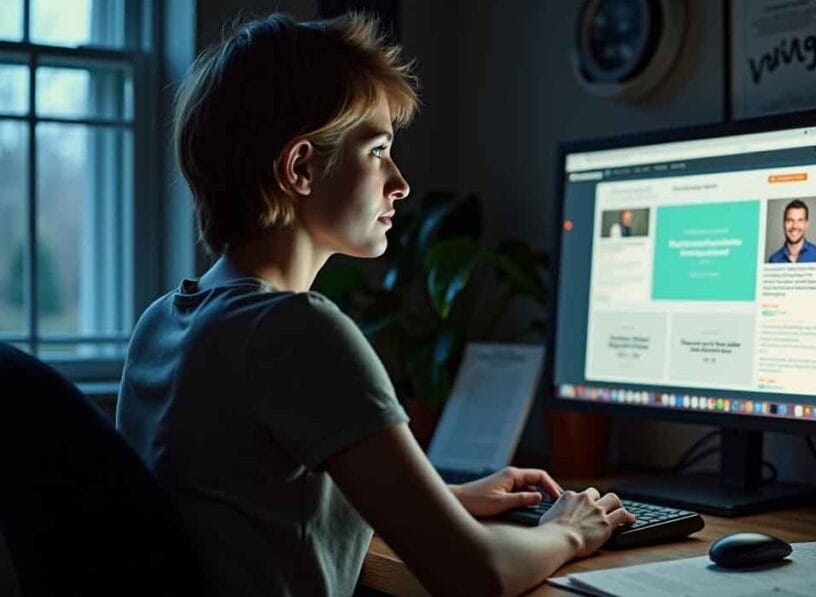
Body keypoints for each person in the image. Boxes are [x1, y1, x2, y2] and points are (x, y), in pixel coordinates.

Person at [114, 12, 634, 597]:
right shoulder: (292, 331)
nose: (401, 182)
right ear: (302, 167)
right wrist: (569, 530)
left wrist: (446, 500)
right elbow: (476, 574)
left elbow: (256, 506)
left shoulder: (162, 322)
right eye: (378, 151)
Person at [767, 199, 816, 263]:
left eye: (800, 220)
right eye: (790, 220)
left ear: (806, 225)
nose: (794, 226)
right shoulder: (774, 260)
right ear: (784, 223)